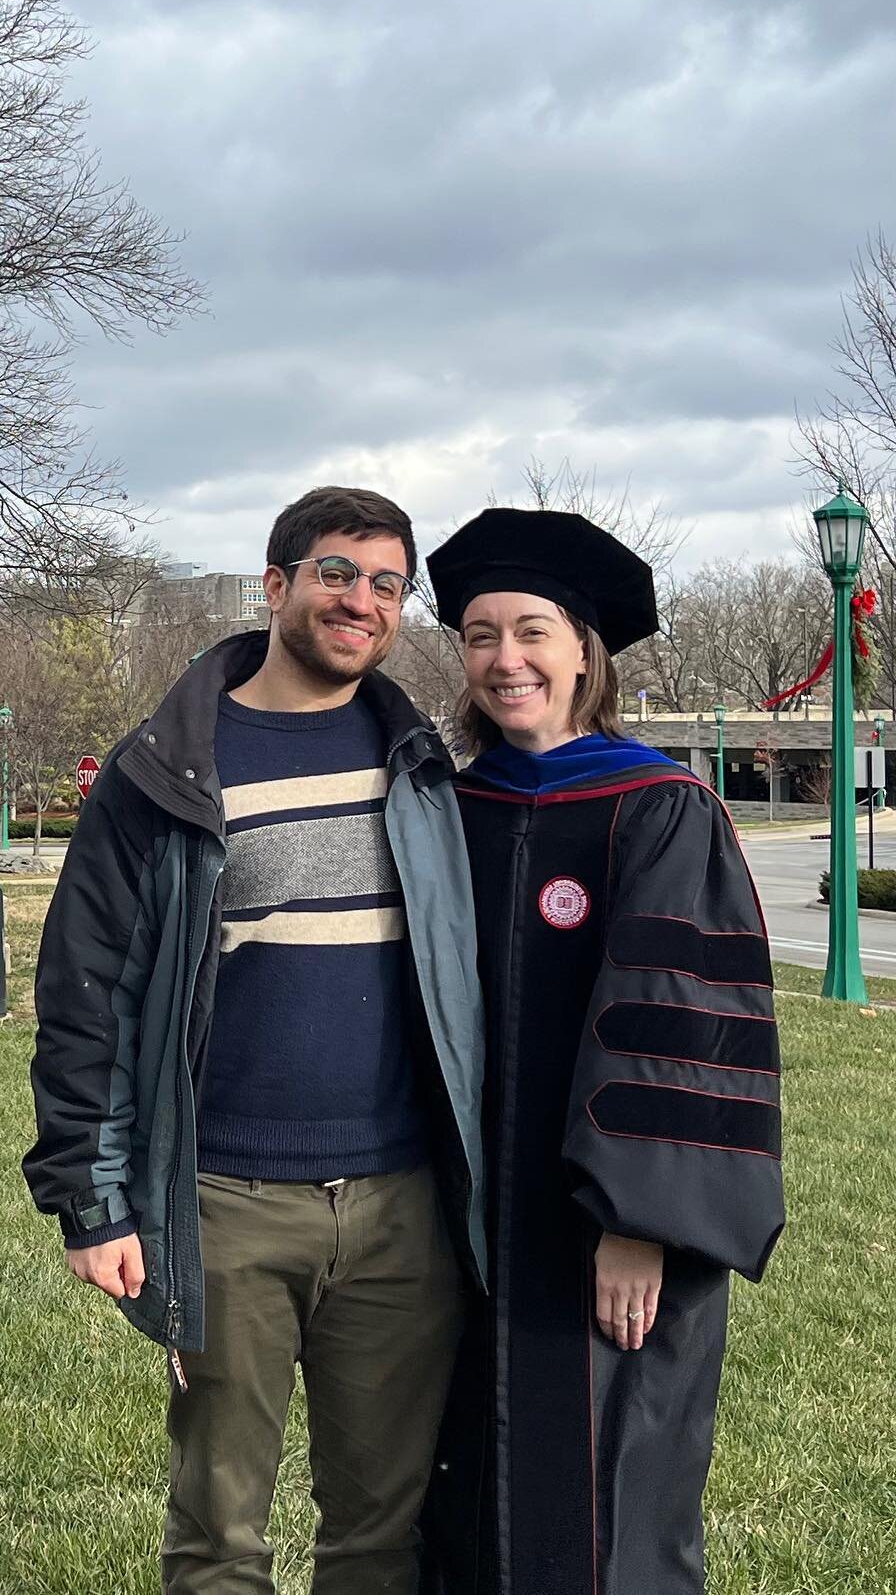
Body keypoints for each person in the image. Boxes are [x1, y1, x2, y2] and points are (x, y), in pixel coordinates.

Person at [23, 486, 487, 1594]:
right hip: (224, 1199)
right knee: (219, 1537)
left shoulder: (423, 768)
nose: (360, 600)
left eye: (386, 582)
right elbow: (85, 990)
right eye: (336, 571)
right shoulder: (165, 767)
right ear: (275, 584)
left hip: (398, 1207)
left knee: (382, 1533)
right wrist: (93, 1197)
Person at [422, 507, 786, 1595]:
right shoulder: (444, 806)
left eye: (532, 630)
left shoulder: (662, 810)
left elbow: (687, 1021)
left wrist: (640, 1221)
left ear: (585, 646)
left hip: (603, 1233)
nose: (505, 658)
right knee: (453, 1497)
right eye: (481, 635)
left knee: (613, 1506)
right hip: (457, 1225)